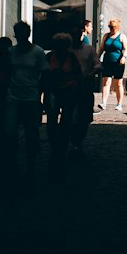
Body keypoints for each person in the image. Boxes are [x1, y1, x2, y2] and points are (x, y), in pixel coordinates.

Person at [3, 21, 49, 177]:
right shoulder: (11, 52)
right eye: (18, 34)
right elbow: (7, 73)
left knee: (31, 133)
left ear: (27, 34)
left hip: (31, 98)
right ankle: (12, 163)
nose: (20, 37)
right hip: (13, 97)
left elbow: (45, 75)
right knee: (10, 133)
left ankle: (30, 163)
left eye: (23, 34)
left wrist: (40, 94)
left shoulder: (38, 52)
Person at [43, 31, 83, 170]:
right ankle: (56, 148)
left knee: (65, 123)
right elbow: (44, 77)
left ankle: (60, 151)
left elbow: (78, 76)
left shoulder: (71, 57)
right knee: (51, 124)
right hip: (53, 92)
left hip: (69, 93)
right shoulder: (49, 57)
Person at [70, 24, 98, 152]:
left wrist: (91, 73)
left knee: (86, 117)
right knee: (71, 116)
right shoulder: (68, 51)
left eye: (77, 35)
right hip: (70, 87)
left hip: (86, 87)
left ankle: (79, 139)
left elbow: (98, 64)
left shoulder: (89, 49)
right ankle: (75, 141)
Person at [98, 18, 127, 111]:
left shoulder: (122, 36)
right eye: (110, 27)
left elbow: (126, 49)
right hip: (107, 61)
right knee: (106, 81)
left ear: (117, 27)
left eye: (113, 27)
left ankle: (119, 104)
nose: (111, 29)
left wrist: (124, 57)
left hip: (118, 63)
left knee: (118, 83)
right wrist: (97, 58)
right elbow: (101, 48)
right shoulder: (106, 36)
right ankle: (104, 102)